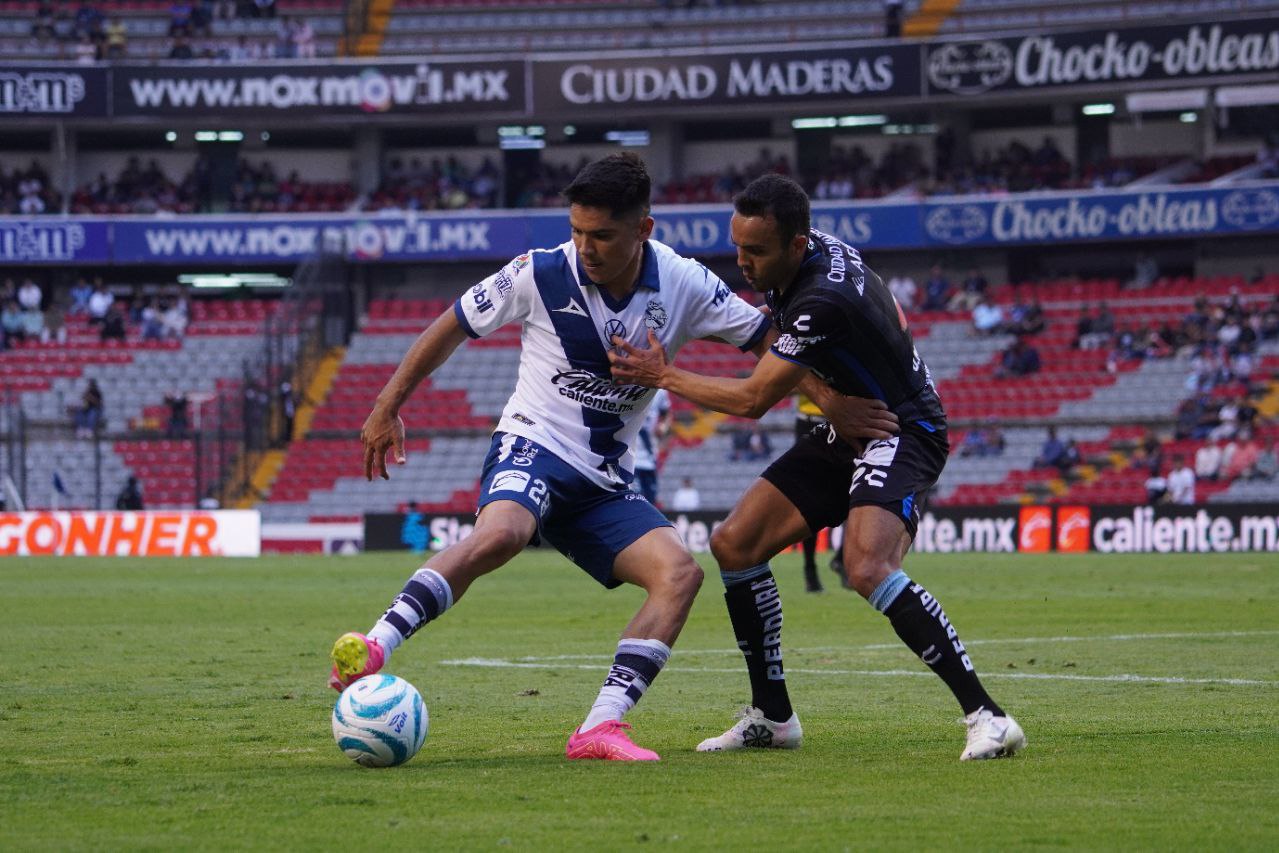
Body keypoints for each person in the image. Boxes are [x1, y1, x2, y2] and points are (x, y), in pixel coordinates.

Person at [329, 153, 778, 762]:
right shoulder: (537, 273)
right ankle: (377, 643)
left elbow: (774, 346)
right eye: (576, 231)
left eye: (601, 235)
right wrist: (388, 405)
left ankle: (600, 728)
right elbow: (452, 324)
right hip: (533, 444)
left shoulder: (685, 282)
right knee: (503, 535)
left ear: (643, 229)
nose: (585, 247)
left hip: (602, 480)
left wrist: (839, 402)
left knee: (680, 574)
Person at [609, 174, 1024, 761]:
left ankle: (989, 716)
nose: (743, 263)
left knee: (866, 565)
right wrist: (830, 399)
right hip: (849, 423)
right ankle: (772, 718)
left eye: (757, 252)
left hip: (898, 428)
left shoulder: (821, 298)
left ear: (796, 245)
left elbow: (753, 400)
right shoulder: (810, 258)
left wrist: (663, 374)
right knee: (735, 544)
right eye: (738, 248)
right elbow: (794, 346)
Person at [794, 393, 826, 592]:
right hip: (808, 423)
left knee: (858, 489)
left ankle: (843, 559)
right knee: (810, 500)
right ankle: (810, 569)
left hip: (841, 419)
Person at [632, 387, 671, 504]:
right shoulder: (628, 385)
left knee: (650, 501)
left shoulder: (660, 391)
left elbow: (666, 414)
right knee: (635, 500)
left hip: (650, 456)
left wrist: (663, 428)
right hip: (630, 456)